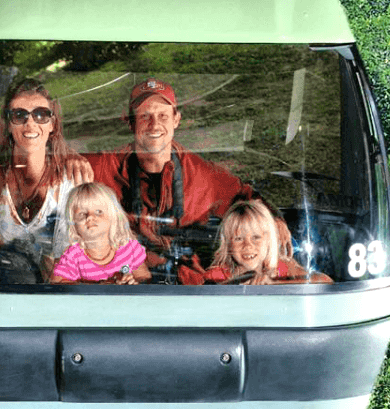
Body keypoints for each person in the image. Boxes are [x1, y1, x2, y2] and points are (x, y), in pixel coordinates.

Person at [84, 79, 291, 282]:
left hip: (189, 288)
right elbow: (57, 168)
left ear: (176, 119)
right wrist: (73, 163)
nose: (154, 125)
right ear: (130, 121)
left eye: (163, 115)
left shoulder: (201, 173)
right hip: (129, 284)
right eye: (145, 116)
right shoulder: (104, 165)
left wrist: (275, 218)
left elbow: (244, 197)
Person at [0, 77, 92, 282]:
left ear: (53, 124)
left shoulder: (69, 178)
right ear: (8, 125)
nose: (30, 123)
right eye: (19, 115)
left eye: (41, 114)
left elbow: (66, 260)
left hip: (46, 299)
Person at [205, 201, 332, 284]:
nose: (248, 245)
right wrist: (230, 286)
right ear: (228, 245)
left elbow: (325, 281)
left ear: (268, 240)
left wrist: (275, 283)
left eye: (256, 237)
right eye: (238, 238)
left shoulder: (281, 267)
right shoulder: (217, 275)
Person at [50, 182, 151, 284]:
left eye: (98, 212)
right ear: (73, 225)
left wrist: (133, 282)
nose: (90, 217)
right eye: (82, 214)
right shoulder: (72, 257)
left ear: (114, 217)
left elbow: (145, 278)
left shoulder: (130, 249)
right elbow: (56, 285)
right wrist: (97, 286)